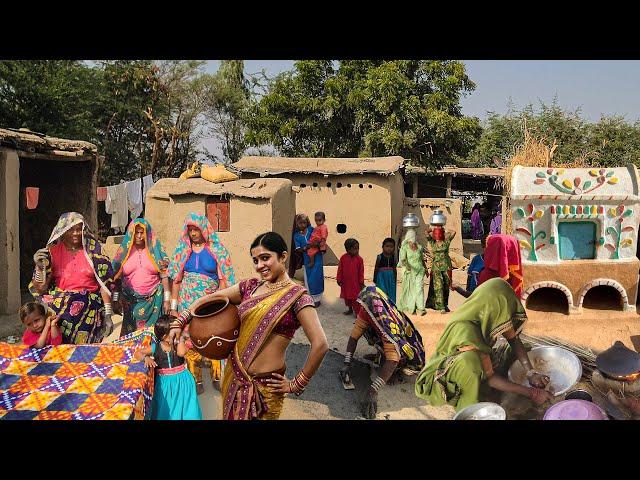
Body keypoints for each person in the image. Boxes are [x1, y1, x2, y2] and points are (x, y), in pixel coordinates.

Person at [170, 232, 329, 420]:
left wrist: (297, 383)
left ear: (283, 256)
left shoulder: (297, 297)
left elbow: (320, 344)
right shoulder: (250, 287)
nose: (260, 265)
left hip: (265, 391)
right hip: (235, 378)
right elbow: (211, 298)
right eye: (255, 260)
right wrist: (181, 320)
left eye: (265, 258)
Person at [415, 278, 553, 412]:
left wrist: (530, 373)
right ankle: (468, 407)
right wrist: (532, 393)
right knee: (470, 363)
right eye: (504, 314)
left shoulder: (486, 311)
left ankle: (487, 389)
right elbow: (491, 378)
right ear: (495, 310)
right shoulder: (465, 328)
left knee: (515, 350)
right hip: (445, 374)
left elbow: (514, 340)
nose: (507, 318)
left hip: (479, 360)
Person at [168, 212, 235, 394]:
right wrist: (174, 308)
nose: (193, 234)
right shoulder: (182, 251)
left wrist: (220, 305)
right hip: (186, 305)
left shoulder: (217, 251)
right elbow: (176, 281)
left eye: (196, 229)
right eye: (190, 230)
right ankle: (195, 377)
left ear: (204, 229)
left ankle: (216, 376)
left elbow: (224, 280)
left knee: (213, 337)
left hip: (209, 306)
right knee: (189, 339)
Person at [340, 286, 426, 419]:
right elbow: (354, 337)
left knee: (394, 357)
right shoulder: (368, 311)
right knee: (367, 331)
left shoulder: (387, 323)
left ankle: (398, 369)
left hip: (406, 346)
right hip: (387, 340)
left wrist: (374, 389)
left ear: (373, 310)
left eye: (364, 306)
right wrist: (346, 362)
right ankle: (382, 356)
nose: (362, 309)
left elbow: (393, 359)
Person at [29, 212, 115, 344]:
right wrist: (40, 267)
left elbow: (104, 285)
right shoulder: (52, 253)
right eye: (71, 229)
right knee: (58, 350)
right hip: (61, 309)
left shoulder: (94, 252)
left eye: (78, 229)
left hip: (89, 311)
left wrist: (108, 315)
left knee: (84, 355)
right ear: (62, 231)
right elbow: (40, 289)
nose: (76, 233)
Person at [135, 315, 203, 420]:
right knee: (166, 410)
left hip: (183, 381)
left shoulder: (178, 344)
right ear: (164, 336)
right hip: (164, 385)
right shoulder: (155, 347)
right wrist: (146, 358)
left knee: (187, 410)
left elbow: (181, 353)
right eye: (173, 332)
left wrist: (180, 338)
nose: (176, 333)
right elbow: (138, 353)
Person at [111, 218, 171, 337]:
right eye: (136, 232)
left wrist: (167, 300)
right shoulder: (124, 253)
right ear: (130, 233)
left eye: (142, 232)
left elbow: (165, 276)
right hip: (130, 303)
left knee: (153, 338)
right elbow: (115, 280)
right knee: (131, 340)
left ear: (147, 233)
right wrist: (115, 299)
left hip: (154, 301)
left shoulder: (155, 251)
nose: (139, 236)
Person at [292, 214, 324, 307]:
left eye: (304, 222)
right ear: (297, 223)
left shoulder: (312, 230)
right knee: (309, 279)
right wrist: (305, 248)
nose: (302, 224)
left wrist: (313, 245)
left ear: (307, 223)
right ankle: (311, 298)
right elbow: (298, 249)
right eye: (300, 223)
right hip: (307, 259)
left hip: (317, 257)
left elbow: (319, 240)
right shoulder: (296, 236)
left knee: (317, 277)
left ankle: (317, 299)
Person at [425, 224, 456, 313]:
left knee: (446, 285)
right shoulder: (432, 242)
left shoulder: (446, 241)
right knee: (438, 286)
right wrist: (432, 229)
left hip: (446, 266)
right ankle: (440, 306)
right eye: (436, 233)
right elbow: (426, 232)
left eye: (439, 232)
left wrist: (444, 229)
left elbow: (453, 232)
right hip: (436, 268)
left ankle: (445, 304)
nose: (438, 234)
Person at [397, 229, 426, 316]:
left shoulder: (419, 247)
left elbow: (421, 259)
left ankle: (421, 308)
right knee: (411, 290)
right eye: (412, 236)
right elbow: (403, 259)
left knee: (419, 288)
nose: (413, 238)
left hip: (420, 271)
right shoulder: (405, 247)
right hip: (410, 272)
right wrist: (408, 267)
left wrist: (426, 270)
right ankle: (411, 307)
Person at [336, 238, 365, 316]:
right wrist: (338, 279)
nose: (357, 250)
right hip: (346, 283)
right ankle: (350, 309)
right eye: (354, 249)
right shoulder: (343, 258)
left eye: (358, 248)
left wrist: (361, 282)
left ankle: (357, 312)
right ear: (348, 249)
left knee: (355, 298)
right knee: (347, 297)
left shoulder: (359, 259)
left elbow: (361, 271)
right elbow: (340, 269)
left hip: (355, 283)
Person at [453, 234, 487, 299]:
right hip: (473, 295)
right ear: (483, 246)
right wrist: (466, 291)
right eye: (486, 245)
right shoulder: (476, 259)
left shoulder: (496, 262)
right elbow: (470, 276)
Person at [373, 238, 397, 304]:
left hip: (391, 278)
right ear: (382, 247)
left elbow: (394, 269)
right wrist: (375, 279)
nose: (389, 248)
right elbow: (376, 268)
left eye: (391, 246)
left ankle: (391, 308)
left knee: (391, 293)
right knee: (382, 292)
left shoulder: (394, 258)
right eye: (387, 246)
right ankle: (381, 308)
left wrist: (395, 279)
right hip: (381, 278)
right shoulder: (379, 257)